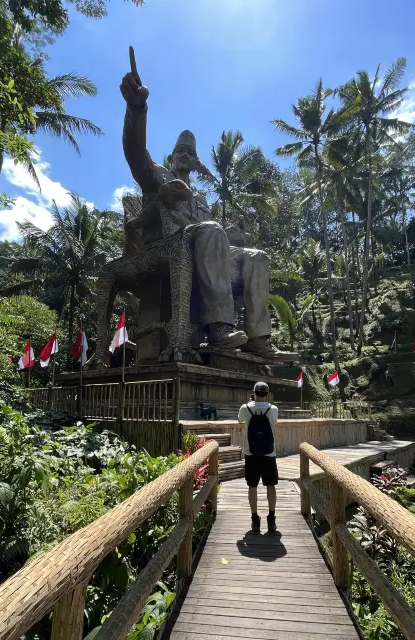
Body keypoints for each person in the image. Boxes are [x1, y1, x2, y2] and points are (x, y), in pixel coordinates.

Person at [119, 47, 296, 361]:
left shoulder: (201, 199)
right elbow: (134, 153)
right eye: (180, 151)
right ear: (172, 157)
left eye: (190, 152)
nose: (185, 155)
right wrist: (137, 108)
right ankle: (219, 328)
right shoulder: (156, 176)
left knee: (256, 255)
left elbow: (212, 236)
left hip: (203, 247)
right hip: (167, 246)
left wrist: (231, 236)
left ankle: (258, 337)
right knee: (213, 230)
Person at [238, 381, 279, 533]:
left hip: (250, 452)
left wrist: (250, 404)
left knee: (252, 486)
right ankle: (272, 519)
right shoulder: (273, 409)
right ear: (267, 394)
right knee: (271, 485)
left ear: (254, 392)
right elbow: (274, 423)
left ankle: (255, 520)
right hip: (269, 453)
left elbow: (240, 420)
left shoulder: (245, 408)